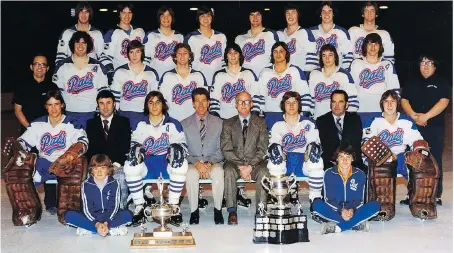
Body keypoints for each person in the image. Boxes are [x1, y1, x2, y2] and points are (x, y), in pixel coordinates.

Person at [17, 89, 88, 215]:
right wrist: (18, 150)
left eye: (56, 104)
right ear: (46, 107)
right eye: (50, 105)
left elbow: (83, 142)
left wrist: (70, 155)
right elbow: (23, 142)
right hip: (43, 163)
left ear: (62, 105)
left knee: (74, 174)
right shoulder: (38, 124)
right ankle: (29, 211)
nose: (53, 108)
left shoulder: (72, 123)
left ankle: (69, 208)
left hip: (65, 163)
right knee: (25, 177)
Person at [125, 91, 187, 226]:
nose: (154, 106)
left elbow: (183, 145)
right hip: (148, 164)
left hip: (166, 163)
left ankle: (174, 207)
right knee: (130, 164)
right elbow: (133, 144)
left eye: (158, 102)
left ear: (163, 105)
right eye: (150, 102)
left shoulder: (173, 123)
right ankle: (139, 206)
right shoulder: (139, 124)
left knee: (181, 163)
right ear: (147, 106)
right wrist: (137, 149)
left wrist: (176, 149)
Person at [401, 54, 450, 205]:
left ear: (435, 65)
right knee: (413, 160)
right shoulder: (411, 82)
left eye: (429, 62)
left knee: (434, 160)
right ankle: (412, 194)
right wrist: (414, 116)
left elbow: (444, 101)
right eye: (422, 62)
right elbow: (404, 100)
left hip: (435, 127)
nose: (426, 65)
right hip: (415, 128)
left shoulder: (442, 82)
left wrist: (426, 116)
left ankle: (435, 195)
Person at [221, 91, 269, 225]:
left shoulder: (261, 123)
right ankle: (232, 211)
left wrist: (250, 166)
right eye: (240, 102)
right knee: (228, 170)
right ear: (235, 105)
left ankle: (261, 210)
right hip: (235, 164)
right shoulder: (228, 123)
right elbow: (226, 149)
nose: (243, 104)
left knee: (265, 172)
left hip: (256, 164)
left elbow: (262, 148)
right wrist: (241, 167)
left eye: (246, 101)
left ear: (252, 104)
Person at [268, 91, 324, 205]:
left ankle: (316, 200)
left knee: (317, 161)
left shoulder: (308, 123)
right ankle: (279, 198)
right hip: (285, 160)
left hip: (303, 160)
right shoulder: (276, 124)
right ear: (283, 105)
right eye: (288, 102)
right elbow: (274, 144)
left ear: (299, 105)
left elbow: (313, 143)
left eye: (295, 102)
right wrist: (277, 151)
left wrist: (311, 150)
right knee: (274, 160)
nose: (291, 105)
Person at [363, 90, 423, 191]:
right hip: (378, 157)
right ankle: (377, 196)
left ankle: (414, 196)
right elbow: (367, 143)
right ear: (382, 103)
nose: (389, 104)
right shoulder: (373, 120)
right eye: (386, 101)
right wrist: (388, 155)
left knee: (418, 162)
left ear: (397, 103)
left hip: (400, 157)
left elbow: (417, 140)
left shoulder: (406, 121)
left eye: (393, 101)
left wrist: (420, 151)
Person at [313, 143, 380, 234]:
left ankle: (338, 227)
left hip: (353, 211)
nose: (345, 160)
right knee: (316, 204)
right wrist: (341, 210)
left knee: (375, 205)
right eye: (341, 157)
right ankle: (355, 224)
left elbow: (360, 200)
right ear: (337, 158)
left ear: (352, 158)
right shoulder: (329, 173)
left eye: (348, 157)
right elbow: (328, 200)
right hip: (335, 210)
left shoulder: (360, 174)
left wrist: (352, 210)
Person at [181, 88, 224, 225]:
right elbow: (183, 150)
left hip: (214, 161)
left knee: (218, 172)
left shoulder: (219, 123)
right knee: (191, 174)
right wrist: (197, 163)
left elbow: (222, 148)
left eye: (204, 101)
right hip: (193, 162)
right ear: (193, 104)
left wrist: (209, 163)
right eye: (197, 101)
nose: (201, 105)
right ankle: (194, 212)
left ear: (209, 103)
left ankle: (218, 210)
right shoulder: (183, 124)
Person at [64, 154, 133, 236]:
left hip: (109, 217)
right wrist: (97, 223)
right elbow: (87, 209)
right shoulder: (86, 184)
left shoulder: (115, 183)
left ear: (108, 170)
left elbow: (114, 207)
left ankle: (91, 229)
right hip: (92, 217)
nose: (99, 172)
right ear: (92, 171)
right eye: (96, 169)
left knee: (128, 215)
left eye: (103, 168)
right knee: (68, 216)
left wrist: (106, 222)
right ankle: (109, 230)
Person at [52, 31, 109, 129]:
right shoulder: (62, 66)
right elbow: (56, 95)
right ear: (72, 45)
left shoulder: (98, 66)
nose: (80, 46)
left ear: (88, 45)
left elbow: (103, 94)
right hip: (68, 115)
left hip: (91, 115)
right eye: (77, 42)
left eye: (84, 43)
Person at [86, 90, 132, 209]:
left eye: (108, 103)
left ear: (114, 104)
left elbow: (125, 146)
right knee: (88, 177)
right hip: (98, 164)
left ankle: (121, 210)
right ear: (97, 105)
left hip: (117, 163)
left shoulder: (124, 122)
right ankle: (95, 210)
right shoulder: (91, 123)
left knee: (121, 176)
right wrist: (99, 166)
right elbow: (91, 150)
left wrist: (116, 164)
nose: (105, 107)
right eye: (101, 103)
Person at [254, 41, 311, 129]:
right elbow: (259, 96)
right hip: (270, 115)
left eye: (281, 51)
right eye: (275, 51)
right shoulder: (265, 72)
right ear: (272, 54)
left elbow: (305, 95)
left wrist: (304, 115)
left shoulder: (294, 71)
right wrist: (259, 115)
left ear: (286, 53)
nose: (278, 54)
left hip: (291, 115)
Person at [349, 33, 400, 122]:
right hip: (360, 111)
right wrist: (351, 110)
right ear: (365, 46)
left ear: (380, 46)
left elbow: (394, 91)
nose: (373, 47)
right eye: (370, 44)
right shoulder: (356, 63)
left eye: (376, 44)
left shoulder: (387, 64)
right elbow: (349, 89)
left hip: (382, 112)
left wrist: (392, 111)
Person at [111, 40, 159, 129]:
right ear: (127, 54)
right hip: (124, 114)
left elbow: (155, 99)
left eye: (137, 52)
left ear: (142, 53)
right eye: (131, 52)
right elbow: (115, 99)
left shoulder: (151, 73)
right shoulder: (120, 71)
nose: (134, 55)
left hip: (144, 114)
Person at [317, 90, 365, 171]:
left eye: (340, 102)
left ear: (346, 105)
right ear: (330, 104)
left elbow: (355, 144)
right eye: (334, 102)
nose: (337, 105)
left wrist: (346, 160)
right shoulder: (321, 121)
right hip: (330, 163)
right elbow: (325, 146)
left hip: (352, 162)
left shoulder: (355, 119)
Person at [159, 43, 208, 121]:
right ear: (175, 57)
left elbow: (205, 100)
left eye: (185, 53)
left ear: (189, 57)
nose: (182, 56)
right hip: (173, 120)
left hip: (195, 121)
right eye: (179, 53)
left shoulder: (198, 75)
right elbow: (161, 101)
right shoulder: (167, 76)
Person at [309, 44, 359, 119]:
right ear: (321, 58)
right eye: (324, 55)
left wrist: (345, 119)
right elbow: (311, 99)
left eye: (330, 55)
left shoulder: (344, 75)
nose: (327, 58)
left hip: (338, 120)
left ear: (335, 57)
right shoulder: (314, 74)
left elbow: (353, 102)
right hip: (318, 118)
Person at [210, 43, 259, 119]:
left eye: (235, 53)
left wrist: (253, 117)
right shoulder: (219, 75)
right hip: (225, 119)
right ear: (226, 56)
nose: (233, 55)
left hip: (245, 119)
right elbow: (214, 101)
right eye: (230, 53)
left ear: (239, 55)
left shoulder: (248, 73)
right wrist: (215, 120)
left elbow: (256, 98)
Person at [100, 3, 145, 83]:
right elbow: (105, 57)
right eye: (123, 12)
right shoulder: (111, 33)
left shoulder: (140, 32)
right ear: (119, 14)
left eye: (129, 13)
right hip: (120, 77)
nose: (127, 16)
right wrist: (111, 73)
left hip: (139, 75)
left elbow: (146, 55)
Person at [13, 54, 58, 134]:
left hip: (48, 130)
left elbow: (57, 110)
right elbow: (18, 110)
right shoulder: (22, 86)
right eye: (36, 64)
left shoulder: (53, 87)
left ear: (47, 68)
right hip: (28, 130)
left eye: (43, 65)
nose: (39, 67)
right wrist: (30, 128)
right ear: (31, 67)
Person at [184, 6, 227, 86]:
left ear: (212, 17)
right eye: (202, 16)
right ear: (198, 18)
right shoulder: (191, 37)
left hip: (218, 79)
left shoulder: (221, 36)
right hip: (198, 79)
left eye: (208, 15)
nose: (205, 18)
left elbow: (224, 60)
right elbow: (186, 61)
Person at [55, 1, 104, 66]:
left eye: (86, 11)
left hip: (91, 71)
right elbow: (61, 55)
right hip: (71, 69)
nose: (84, 14)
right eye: (81, 11)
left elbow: (102, 57)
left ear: (90, 14)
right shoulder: (67, 33)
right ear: (77, 13)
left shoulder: (97, 33)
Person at [309, 1, 353, 70]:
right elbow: (308, 56)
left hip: (336, 73)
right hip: (317, 73)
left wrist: (343, 72)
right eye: (323, 11)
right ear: (320, 14)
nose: (326, 14)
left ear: (333, 14)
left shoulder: (342, 32)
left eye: (330, 11)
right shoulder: (311, 32)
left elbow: (348, 56)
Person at [235, 7, 279, 76]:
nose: (255, 18)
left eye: (258, 14)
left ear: (262, 16)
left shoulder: (271, 34)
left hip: (267, 77)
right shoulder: (239, 38)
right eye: (252, 15)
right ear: (248, 17)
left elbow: (279, 56)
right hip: (246, 78)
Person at [144, 5, 184, 79]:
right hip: (155, 77)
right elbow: (145, 60)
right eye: (162, 15)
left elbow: (184, 60)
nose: (166, 18)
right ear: (159, 18)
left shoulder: (179, 36)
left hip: (175, 78)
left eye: (169, 15)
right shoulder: (151, 35)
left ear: (172, 18)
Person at [277, 4, 318, 74]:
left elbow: (312, 60)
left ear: (298, 15)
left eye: (293, 12)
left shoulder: (305, 33)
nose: (290, 16)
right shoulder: (279, 34)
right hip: (282, 77)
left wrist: (306, 77)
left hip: (299, 77)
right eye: (288, 13)